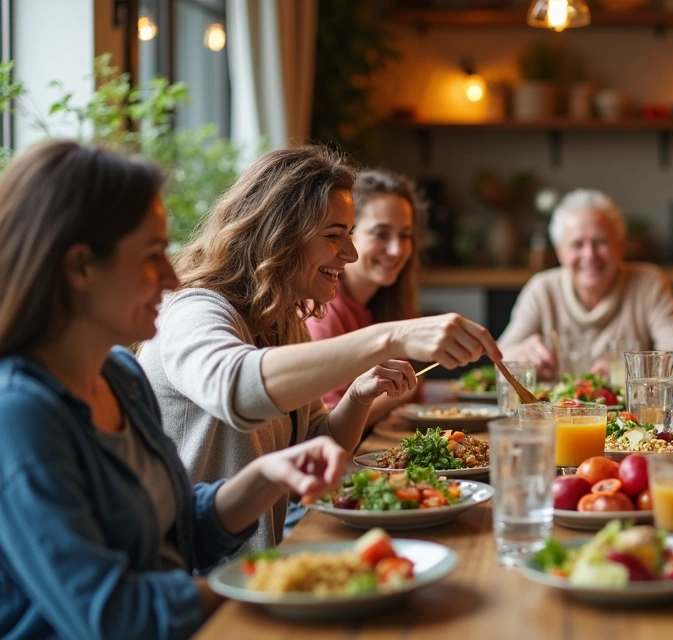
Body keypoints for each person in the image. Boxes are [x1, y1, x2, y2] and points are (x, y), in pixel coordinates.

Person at [0, 140, 356, 639]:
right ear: (81, 267)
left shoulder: (121, 377)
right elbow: (117, 618)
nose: (172, 276)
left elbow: (178, 532)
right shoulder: (20, 417)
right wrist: (282, 580)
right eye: (151, 256)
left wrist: (266, 477)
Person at [138, 146, 501, 551]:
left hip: (257, 562)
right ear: (279, 236)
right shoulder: (195, 309)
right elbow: (238, 388)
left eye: (349, 235)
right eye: (334, 237)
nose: (351, 254)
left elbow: (314, 442)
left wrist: (359, 396)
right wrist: (390, 337)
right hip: (191, 576)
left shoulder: (284, 320)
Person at [498, 188, 673, 380]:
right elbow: (500, 356)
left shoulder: (648, 283)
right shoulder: (542, 289)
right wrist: (520, 355)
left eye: (600, 242)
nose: (589, 255)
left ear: (619, 246)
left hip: (631, 418)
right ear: (560, 252)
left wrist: (632, 368)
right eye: (577, 244)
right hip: (556, 417)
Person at [306, 169, 425, 423]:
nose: (396, 249)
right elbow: (325, 422)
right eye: (381, 234)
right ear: (348, 233)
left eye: (405, 235)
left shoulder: (385, 304)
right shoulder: (322, 312)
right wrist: (404, 393)